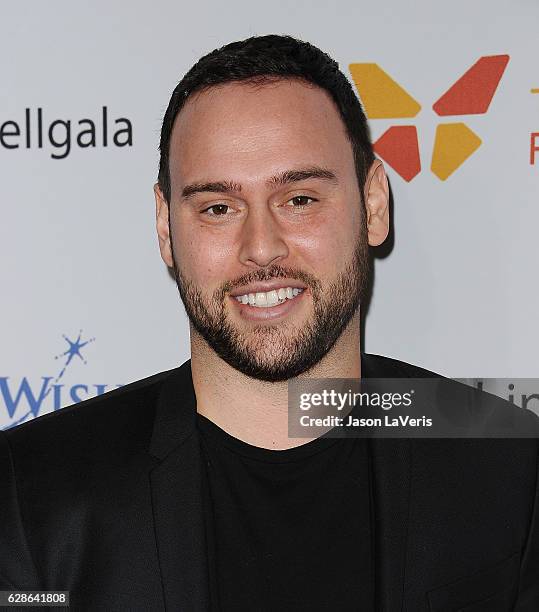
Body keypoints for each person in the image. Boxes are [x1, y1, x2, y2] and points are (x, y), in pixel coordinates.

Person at [0, 34, 538, 612]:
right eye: (217, 208)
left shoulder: (508, 464)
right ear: (165, 228)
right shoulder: (34, 492)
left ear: (373, 204)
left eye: (299, 199)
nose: (261, 248)